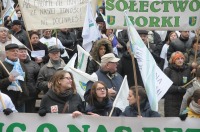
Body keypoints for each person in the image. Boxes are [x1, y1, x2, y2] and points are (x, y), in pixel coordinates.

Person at [0, 44, 29, 112]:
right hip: (7, 100)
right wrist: (8, 80)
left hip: (21, 99)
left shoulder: (21, 65)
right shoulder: (2, 66)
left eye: (17, 51)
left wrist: (26, 91)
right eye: (13, 51)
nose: (15, 52)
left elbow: (26, 80)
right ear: (7, 53)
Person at [164, 51, 192, 117]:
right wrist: (177, 89)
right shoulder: (168, 70)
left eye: (182, 58)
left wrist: (186, 89)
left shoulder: (187, 70)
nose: (180, 60)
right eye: (178, 59)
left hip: (183, 101)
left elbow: (190, 84)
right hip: (171, 102)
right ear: (173, 60)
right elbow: (165, 86)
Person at [18, 45, 40, 113]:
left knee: (30, 114)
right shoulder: (13, 64)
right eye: (21, 52)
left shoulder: (34, 64)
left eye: (25, 52)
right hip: (17, 95)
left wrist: (35, 90)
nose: (24, 53)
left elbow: (38, 79)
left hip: (31, 95)